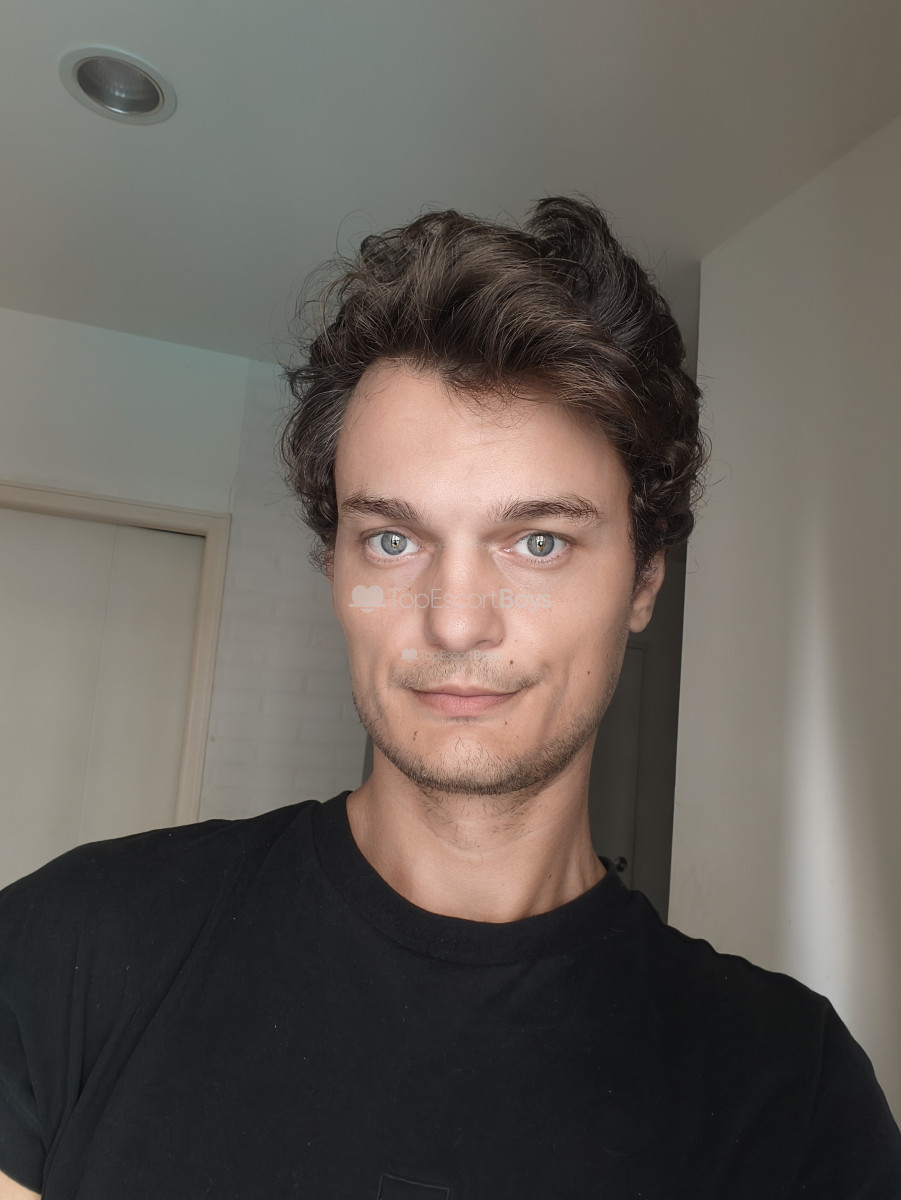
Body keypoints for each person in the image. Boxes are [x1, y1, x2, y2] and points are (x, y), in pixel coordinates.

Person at [1, 196, 899, 1199]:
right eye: (392, 539)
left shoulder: (792, 1093)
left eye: (538, 542)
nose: (456, 623)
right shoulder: (72, 946)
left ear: (644, 579)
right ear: (335, 566)